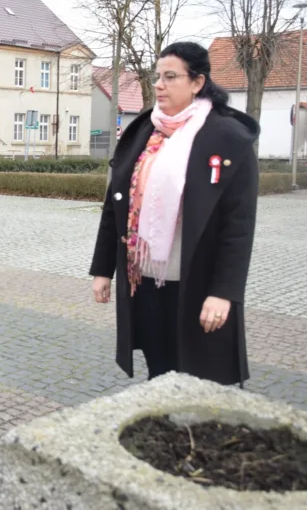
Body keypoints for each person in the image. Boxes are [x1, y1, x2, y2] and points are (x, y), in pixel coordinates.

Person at [89, 41, 260, 387]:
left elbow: (237, 227)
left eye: (170, 77)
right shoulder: (145, 131)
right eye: (157, 77)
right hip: (146, 279)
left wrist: (224, 292)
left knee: (201, 376)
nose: (159, 85)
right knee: (159, 370)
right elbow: (116, 204)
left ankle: (195, 437)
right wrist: (103, 269)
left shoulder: (226, 138)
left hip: (198, 283)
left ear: (197, 83)